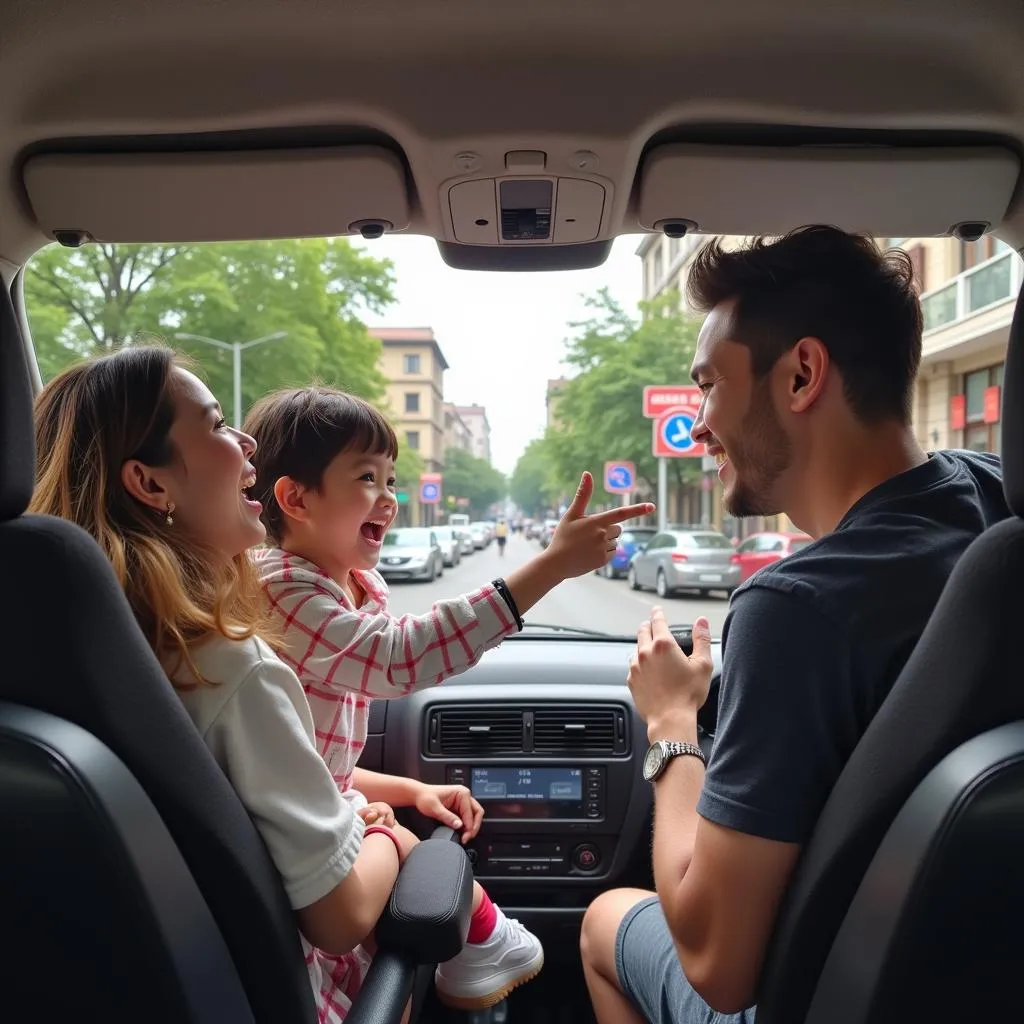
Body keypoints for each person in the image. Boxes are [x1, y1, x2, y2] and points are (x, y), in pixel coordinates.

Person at [579, 226, 1010, 1024]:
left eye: (709, 384)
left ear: (802, 375)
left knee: (606, 923)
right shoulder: (996, 504)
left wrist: (673, 725)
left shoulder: (797, 610)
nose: (699, 422)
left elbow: (716, 966)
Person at [29, 347, 412, 1024]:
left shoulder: (77, 648)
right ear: (151, 485)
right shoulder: (229, 668)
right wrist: (389, 837)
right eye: (215, 426)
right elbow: (341, 915)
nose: (247, 445)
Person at [241, 385, 654, 1010]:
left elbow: (314, 764)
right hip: (299, 885)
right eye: (366, 478)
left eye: (391, 478)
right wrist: (549, 567)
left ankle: (480, 943)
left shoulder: (339, 586)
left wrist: (410, 792)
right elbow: (397, 656)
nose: (389, 497)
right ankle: (485, 939)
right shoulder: (279, 589)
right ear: (296, 498)